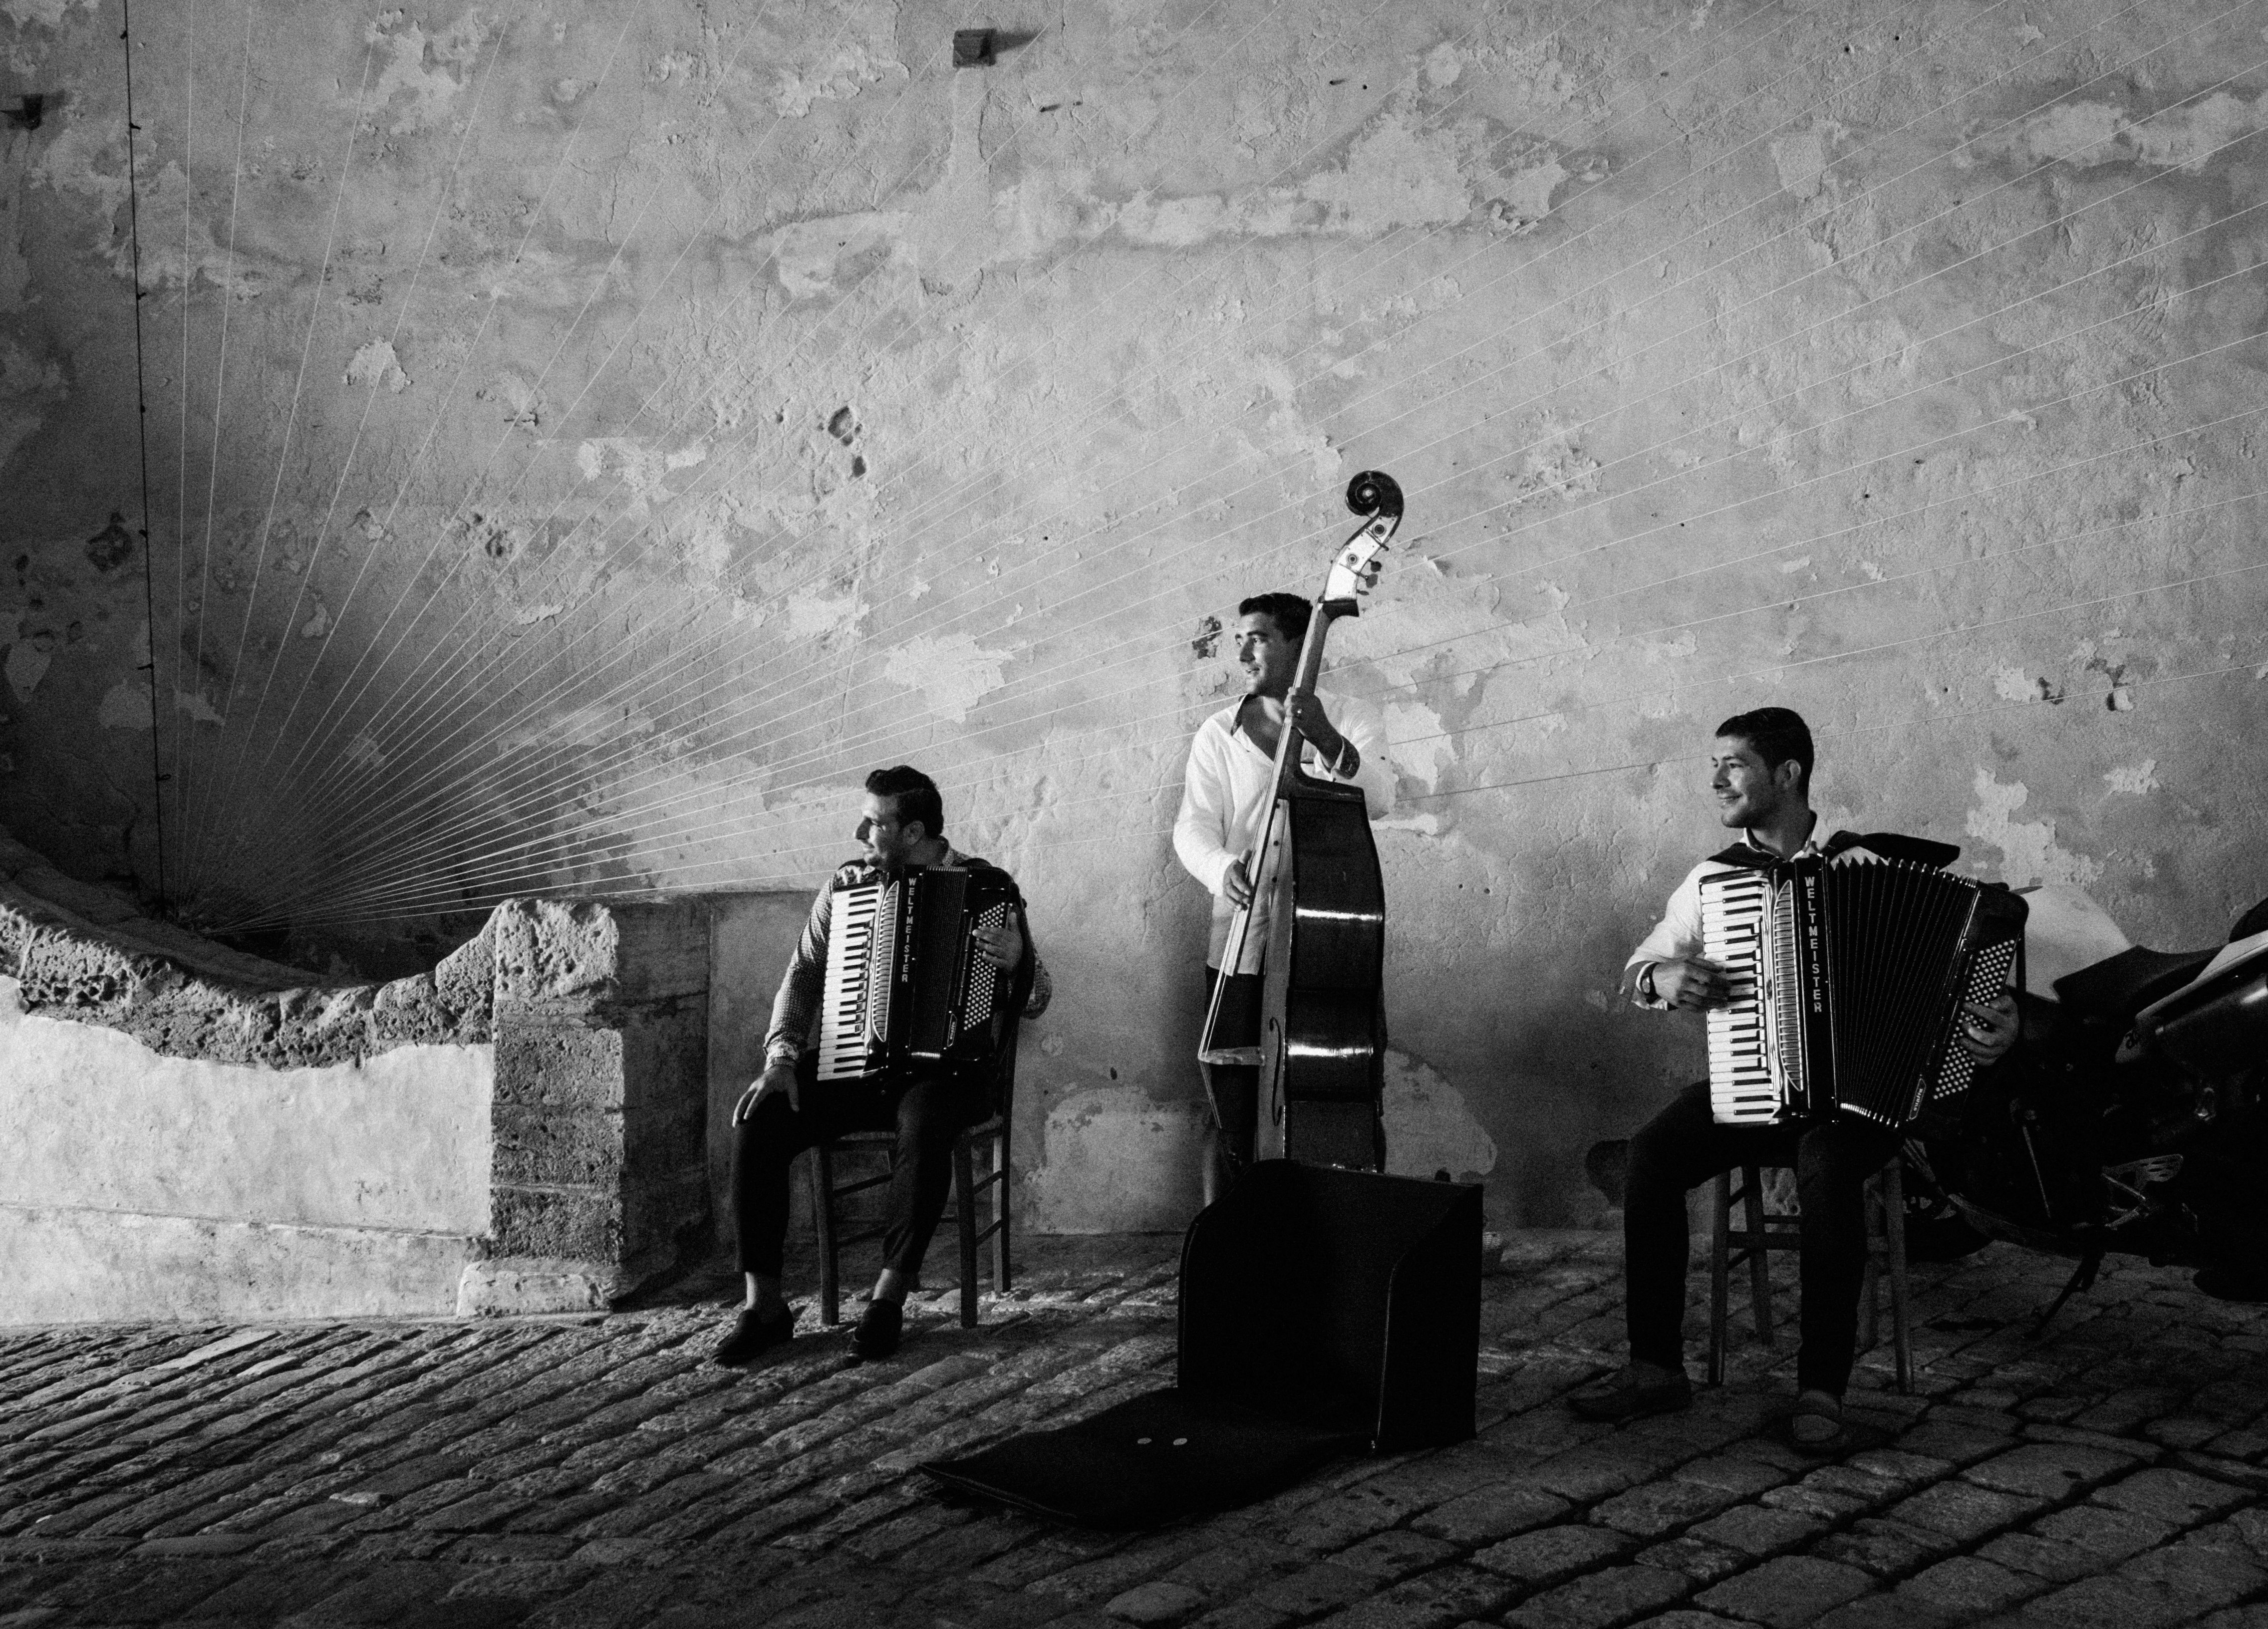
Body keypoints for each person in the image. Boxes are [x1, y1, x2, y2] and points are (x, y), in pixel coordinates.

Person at [1572, 707, 2018, 1448]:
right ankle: (1655, 1369)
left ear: (1788, 775)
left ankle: (1821, 1391)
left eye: (1734, 764)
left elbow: (1961, 988)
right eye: (1713, 765)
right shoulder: (1715, 882)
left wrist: (1995, 1028)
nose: (1717, 781)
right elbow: (1639, 968)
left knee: (1825, 1162)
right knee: (1651, 1153)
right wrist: (1662, 977)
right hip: (1752, 1083)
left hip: (1861, 1104)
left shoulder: (1865, 869)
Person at [713, 765, 1050, 1365]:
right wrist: (782, 1057)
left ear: (913, 830)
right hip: (856, 1062)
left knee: (925, 1125)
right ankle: (763, 1307)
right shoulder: (845, 886)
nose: (860, 831)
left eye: (873, 821)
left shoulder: (985, 886)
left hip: (947, 1073)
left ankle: (887, 1301)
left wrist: (1018, 960)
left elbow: (1039, 996)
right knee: (759, 1117)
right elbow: (803, 975)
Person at [1172, 591, 1393, 1177]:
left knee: (1344, 1087)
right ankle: (1228, 1237)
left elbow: (1385, 797)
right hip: (1240, 938)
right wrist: (1222, 868)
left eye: (1259, 637)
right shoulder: (1218, 733)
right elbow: (1192, 827)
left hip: (1327, 946)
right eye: (1240, 638)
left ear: (1300, 646)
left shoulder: (1349, 718)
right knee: (1229, 1102)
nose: (1243, 651)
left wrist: (1323, 737)